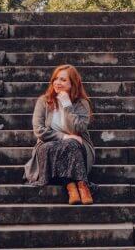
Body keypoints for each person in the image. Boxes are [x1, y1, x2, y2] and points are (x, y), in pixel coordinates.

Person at [24, 63, 95, 204]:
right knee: (48, 147)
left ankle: (81, 186)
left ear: (73, 83)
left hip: (77, 147)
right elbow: (39, 130)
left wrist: (67, 104)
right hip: (49, 144)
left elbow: (78, 129)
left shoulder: (82, 103)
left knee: (71, 144)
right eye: (56, 79)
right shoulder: (43, 101)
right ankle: (72, 186)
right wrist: (64, 136)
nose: (58, 82)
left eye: (63, 80)